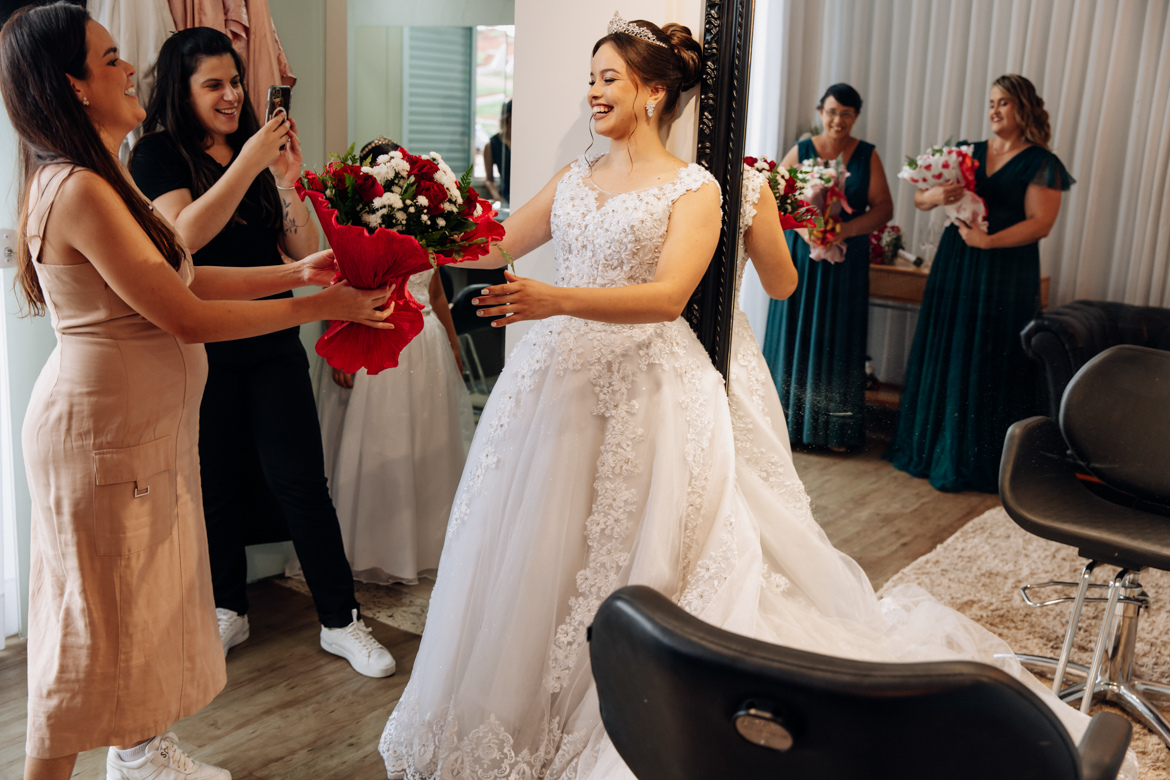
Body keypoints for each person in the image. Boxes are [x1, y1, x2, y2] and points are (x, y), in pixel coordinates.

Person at [376, 17, 1130, 780]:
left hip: (647, 385)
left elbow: (668, 297)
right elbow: (495, 243)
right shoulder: (576, 175)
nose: (593, 92)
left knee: (635, 547)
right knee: (542, 545)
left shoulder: (697, 188)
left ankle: (628, 699)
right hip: (554, 383)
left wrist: (554, 299)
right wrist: (400, 228)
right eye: (591, 79)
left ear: (655, 92)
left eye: (608, 79)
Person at [0, 5, 392, 780]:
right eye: (110, 59)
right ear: (75, 86)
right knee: (84, 640)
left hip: (129, 432)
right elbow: (184, 316)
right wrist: (322, 304)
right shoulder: (79, 187)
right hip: (102, 438)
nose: (129, 69)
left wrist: (294, 272)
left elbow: (177, 274)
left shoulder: (98, 175)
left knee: (129, 616)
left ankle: (138, 756)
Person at [128, 28, 396, 677]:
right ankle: (228, 607)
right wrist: (248, 162)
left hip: (274, 335)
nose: (231, 95)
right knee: (212, 481)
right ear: (181, 91)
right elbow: (183, 240)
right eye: (213, 85)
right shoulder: (157, 154)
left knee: (301, 481)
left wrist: (287, 178)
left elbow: (301, 250)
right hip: (202, 341)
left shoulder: (256, 148)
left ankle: (341, 619)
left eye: (235, 81)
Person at [888, 74, 1074, 492]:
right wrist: (937, 197)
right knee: (950, 345)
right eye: (991, 103)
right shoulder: (966, 152)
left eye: (1003, 103)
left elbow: (1041, 224)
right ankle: (936, 450)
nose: (994, 110)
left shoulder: (1041, 162)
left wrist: (988, 242)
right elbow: (920, 196)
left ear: (1023, 107)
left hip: (1005, 269)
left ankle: (979, 460)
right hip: (957, 262)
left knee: (990, 354)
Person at [307, 136, 474, 585]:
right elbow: (338, 286)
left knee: (425, 447)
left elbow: (435, 290)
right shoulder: (357, 224)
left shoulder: (427, 221)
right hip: (378, 338)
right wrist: (339, 343)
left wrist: (453, 342)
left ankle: (421, 547)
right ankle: (371, 549)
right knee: (379, 446)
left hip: (426, 344)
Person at [762, 83, 893, 451]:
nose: (838, 120)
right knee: (796, 333)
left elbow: (884, 208)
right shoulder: (801, 150)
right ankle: (786, 426)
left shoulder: (867, 155)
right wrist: (806, 230)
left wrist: (845, 229)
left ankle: (835, 432)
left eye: (846, 114)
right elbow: (773, 197)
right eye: (832, 111)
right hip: (802, 258)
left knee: (837, 340)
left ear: (856, 117)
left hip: (845, 263)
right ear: (821, 112)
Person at [482, 99, 511, 204]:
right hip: (506, 198)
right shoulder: (491, 145)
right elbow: (489, 179)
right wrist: (498, 198)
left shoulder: (524, 142)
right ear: (509, 118)